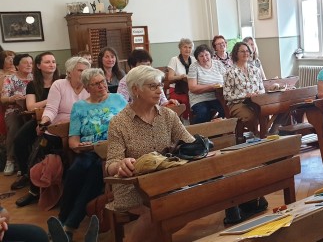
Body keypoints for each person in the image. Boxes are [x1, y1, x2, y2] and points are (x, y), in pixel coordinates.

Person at [106, 65, 195, 242]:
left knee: (187, 204)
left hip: (165, 182)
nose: (159, 90)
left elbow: (189, 143)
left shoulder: (168, 115)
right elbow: (111, 164)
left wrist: (202, 147)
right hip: (133, 187)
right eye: (152, 86)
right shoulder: (119, 123)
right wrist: (121, 165)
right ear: (135, 90)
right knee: (159, 210)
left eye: (160, 85)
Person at [56, 68, 127, 240]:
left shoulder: (118, 99)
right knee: (75, 170)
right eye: (96, 84)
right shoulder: (79, 107)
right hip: (88, 150)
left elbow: (129, 126)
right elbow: (73, 141)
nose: (102, 86)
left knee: (96, 173)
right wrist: (80, 146)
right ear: (87, 87)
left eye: (103, 81)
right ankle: (64, 219)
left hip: (113, 149)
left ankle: (68, 224)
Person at [16, 57, 91, 208]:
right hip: (58, 127)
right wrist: (44, 122)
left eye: (86, 70)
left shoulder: (90, 85)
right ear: (69, 72)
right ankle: (34, 189)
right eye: (80, 70)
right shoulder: (59, 85)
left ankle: (78, 191)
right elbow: (51, 108)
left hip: (82, 128)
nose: (84, 73)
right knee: (48, 142)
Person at [11, 52, 60, 192]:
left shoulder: (62, 80)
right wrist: (51, 99)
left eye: (53, 61)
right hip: (39, 118)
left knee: (47, 144)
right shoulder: (32, 84)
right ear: (38, 66)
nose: (52, 64)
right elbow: (31, 106)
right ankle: (27, 173)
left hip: (59, 118)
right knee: (19, 140)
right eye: (47, 62)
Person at [1, 54, 33, 176]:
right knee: (15, 126)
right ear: (17, 65)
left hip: (32, 109)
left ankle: (29, 161)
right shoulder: (9, 78)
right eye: (25, 63)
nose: (29, 65)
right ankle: (11, 159)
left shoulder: (35, 78)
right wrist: (12, 98)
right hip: (14, 109)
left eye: (31, 63)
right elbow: (3, 99)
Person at [223, 42, 265, 135]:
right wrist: (245, 95)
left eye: (247, 51)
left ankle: (271, 132)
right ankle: (259, 135)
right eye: (242, 51)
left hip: (256, 102)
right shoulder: (230, 72)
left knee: (274, 110)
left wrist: (258, 93)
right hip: (238, 104)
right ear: (236, 53)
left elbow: (262, 89)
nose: (245, 53)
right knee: (251, 116)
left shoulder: (255, 70)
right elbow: (227, 95)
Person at [187, 44, 226, 124]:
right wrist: (211, 87)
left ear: (210, 54)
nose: (205, 58)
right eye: (201, 56)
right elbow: (192, 88)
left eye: (206, 55)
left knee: (226, 110)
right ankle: (194, 133)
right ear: (197, 58)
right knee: (203, 114)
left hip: (218, 97)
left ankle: (217, 132)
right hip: (199, 99)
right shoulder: (194, 67)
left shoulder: (218, 64)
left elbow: (226, 80)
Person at [167, 38, 195, 123]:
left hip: (190, 87)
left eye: (190, 47)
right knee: (186, 100)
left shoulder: (194, 60)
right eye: (185, 47)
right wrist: (181, 76)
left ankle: (195, 123)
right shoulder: (174, 59)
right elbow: (170, 78)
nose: (187, 49)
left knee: (197, 100)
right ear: (180, 48)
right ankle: (185, 121)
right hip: (176, 89)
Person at [0, 50, 16, 142]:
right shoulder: (1, 73)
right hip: (4, 106)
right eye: (8, 58)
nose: (12, 60)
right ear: (2, 60)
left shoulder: (19, 71)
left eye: (13, 58)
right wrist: (8, 75)